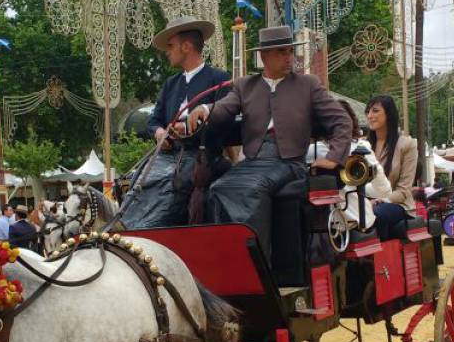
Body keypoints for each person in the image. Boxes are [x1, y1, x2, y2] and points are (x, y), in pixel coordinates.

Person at [184, 26, 353, 259]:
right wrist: (204, 109)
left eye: (290, 52)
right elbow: (224, 109)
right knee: (217, 188)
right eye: (282, 52)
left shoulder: (308, 85)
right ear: (264, 57)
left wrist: (333, 158)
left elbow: (342, 121)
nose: (289, 58)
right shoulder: (245, 85)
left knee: (252, 188)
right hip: (252, 161)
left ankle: (257, 263)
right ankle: (228, 259)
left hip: (288, 162)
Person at [119, 17, 233, 229]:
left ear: (187, 47)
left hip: (202, 156)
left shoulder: (219, 79)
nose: (167, 51)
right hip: (168, 155)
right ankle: (126, 225)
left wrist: (190, 128)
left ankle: (150, 230)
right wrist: (160, 133)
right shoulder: (170, 84)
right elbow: (154, 121)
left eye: (171, 46)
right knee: (138, 180)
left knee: (172, 181)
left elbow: (226, 121)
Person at [363, 95, 418, 240]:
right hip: (364, 201)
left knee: (377, 213)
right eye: (368, 111)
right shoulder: (362, 145)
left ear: (389, 114)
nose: (370, 116)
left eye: (375, 111)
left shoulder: (407, 144)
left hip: (397, 204)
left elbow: (404, 190)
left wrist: (381, 200)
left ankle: (378, 258)